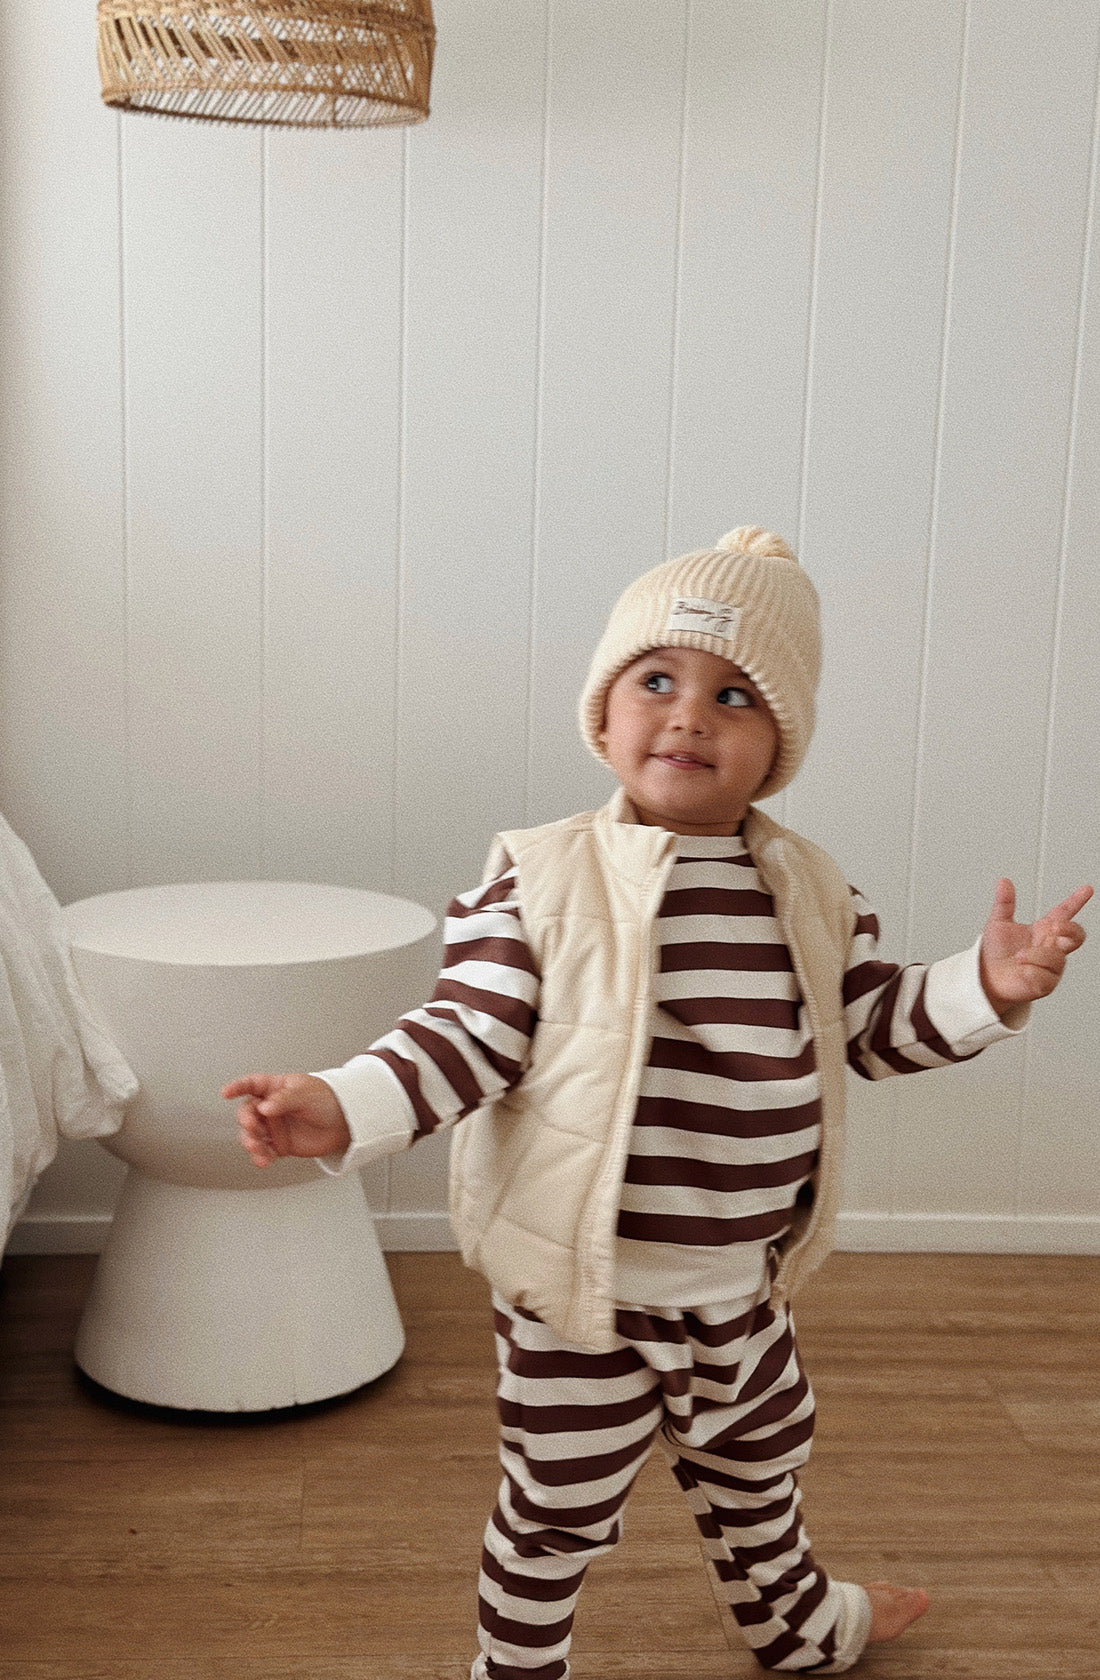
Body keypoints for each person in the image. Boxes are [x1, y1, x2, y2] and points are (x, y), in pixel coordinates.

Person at [225, 527, 1091, 1676]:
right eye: (656, 681)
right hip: (582, 1300)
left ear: (777, 743)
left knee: (759, 1478)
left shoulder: (816, 891)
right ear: (604, 711)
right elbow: (464, 1034)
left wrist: (985, 983)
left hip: (740, 1289)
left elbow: (871, 1031)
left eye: (733, 696)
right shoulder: (535, 878)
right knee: (552, 1516)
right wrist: (344, 1104)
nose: (688, 716)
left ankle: (799, 1629)